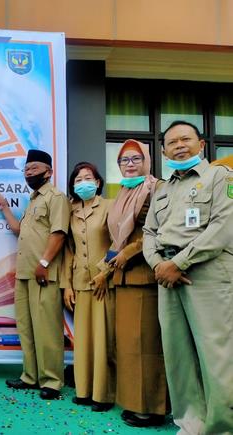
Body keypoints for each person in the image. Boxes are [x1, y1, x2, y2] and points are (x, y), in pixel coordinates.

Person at [143, 120, 233, 434]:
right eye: (172, 142)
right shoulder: (164, 188)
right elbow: (149, 232)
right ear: (164, 150)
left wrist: (179, 262)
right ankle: (191, 422)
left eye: (186, 139)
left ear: (201, 145)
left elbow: (223, 227)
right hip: (167, 278)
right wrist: (158, 264)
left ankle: (221, 426)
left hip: (207, 275)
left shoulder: (220, 177)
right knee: (178, 353)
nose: (179, 145)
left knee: (216, 353)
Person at [0, 149, 68, 400]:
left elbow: (59, 234)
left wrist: (44, 262)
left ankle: (52, 380)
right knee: (26, 328)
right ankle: (31, 376)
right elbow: (20, 231)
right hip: (25, 274)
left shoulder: (56, 197)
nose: (29, 173)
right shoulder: (33, 200)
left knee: (46, 329)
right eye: (26, 170)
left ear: (48, 172)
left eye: (34, 169)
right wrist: (5, 209)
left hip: (43, 273)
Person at [107, 139, 169, 427]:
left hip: (144, 275)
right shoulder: (123, 192)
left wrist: (128, 253)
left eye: (135, 159)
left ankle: (152, 408)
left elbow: (159, 231)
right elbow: (116, 237)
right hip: (123, 277)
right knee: (130, 346)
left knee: (146, 346)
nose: (129, 164)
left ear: (147, 160)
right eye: (124, 160)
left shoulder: (156, 188)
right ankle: (136, 403)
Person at [61, 162, 115, 412]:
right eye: (78, 179)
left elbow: (119, 242)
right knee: (82, 340)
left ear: (98, 182)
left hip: (104, 282)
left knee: (103, 339)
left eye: (88, 178)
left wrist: (105, 272)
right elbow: (68, 251)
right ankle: (83, 391)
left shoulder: (110, 206)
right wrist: (66, 285)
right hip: (79, 282)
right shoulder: (70, 210)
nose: (83, 183)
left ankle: (103, 395)